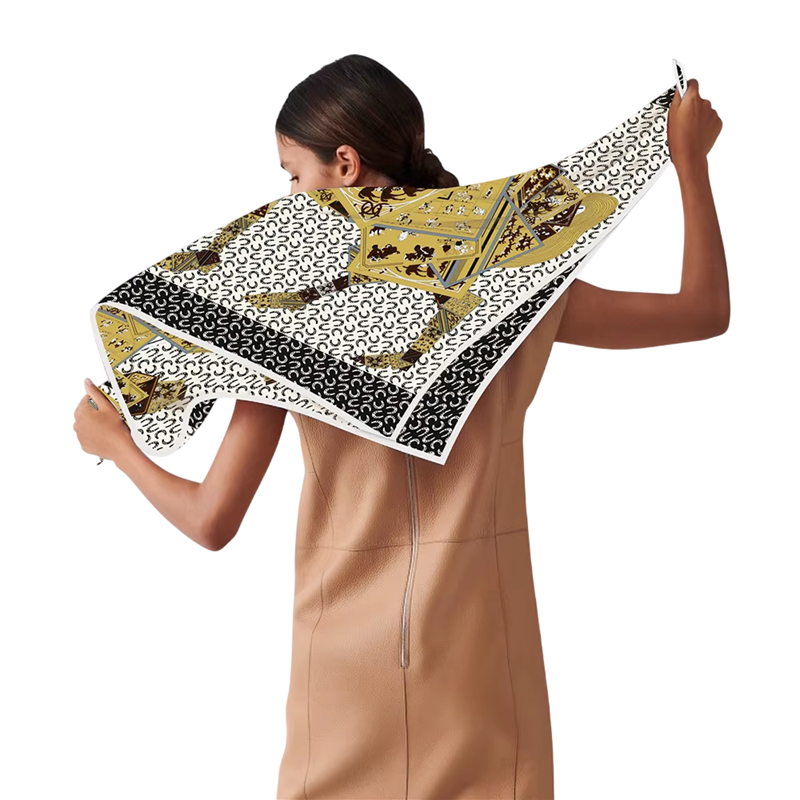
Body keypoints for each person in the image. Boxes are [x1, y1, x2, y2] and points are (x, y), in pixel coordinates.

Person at [74, 54, 728, 800]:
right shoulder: (515, 290)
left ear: (345, 165)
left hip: (343, 669)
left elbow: (211, 520)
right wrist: (688, 163)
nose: (287, 198)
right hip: (483, 662)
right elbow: (702, 312)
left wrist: (116, 447)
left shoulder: (279, 320)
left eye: (293, 175)